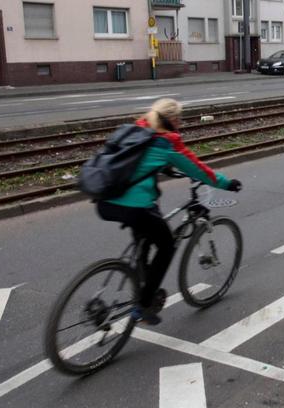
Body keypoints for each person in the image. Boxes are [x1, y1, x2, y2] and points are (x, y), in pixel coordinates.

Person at [96, 98, 242, 324]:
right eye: (179, 118)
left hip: (106, 200)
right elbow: (199, 170)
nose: (180, 123)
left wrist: (164, 167)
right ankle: (144, 304)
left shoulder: (138, 128)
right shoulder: (167, 142)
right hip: (134, 207)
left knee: (145, 238)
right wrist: (227, 183)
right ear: (172, 119)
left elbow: (138, 161)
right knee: (166, 245)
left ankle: (140, 286)